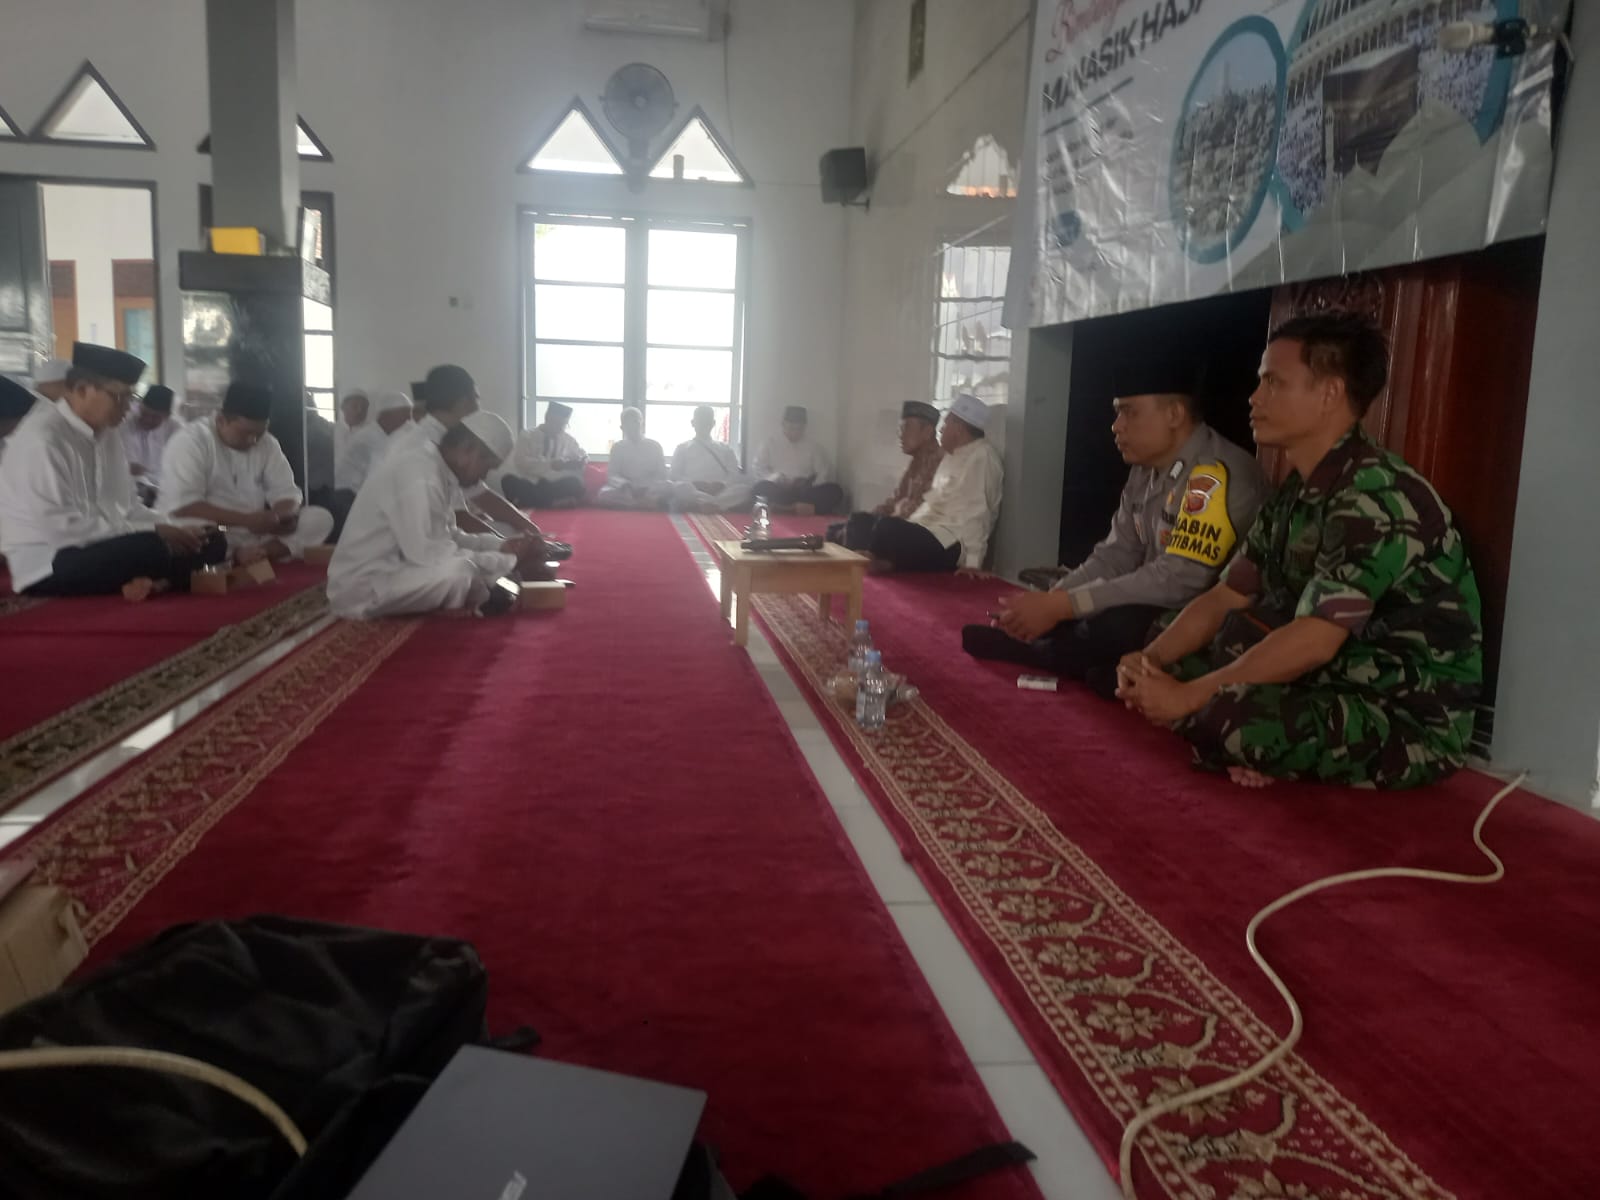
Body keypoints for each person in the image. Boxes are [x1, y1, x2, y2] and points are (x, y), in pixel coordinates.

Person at [1116, 312, 1482, 790]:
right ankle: (1246, 741)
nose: (1254, 397)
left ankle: (1244, 740)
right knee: (1172, 642)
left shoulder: (1375, 495)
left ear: (1329, 394)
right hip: (1327, 679)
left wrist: (1189, 697)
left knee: (1234, 715)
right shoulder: (1298, 490)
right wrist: (1148, 661)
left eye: (1273, 382)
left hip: (1400, 712)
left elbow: (1315, 639)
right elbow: (1227, 595)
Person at [963, 357, 1266, 697]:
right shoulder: (1145, 470)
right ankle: (1079, 658)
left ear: (1174, 415)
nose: (1116, 426)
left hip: (1196, 616)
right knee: (1085, 606)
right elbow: (1115, 555)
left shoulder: (1215, 474)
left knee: (1116, 622)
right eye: (1117, 414)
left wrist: (1065, 606)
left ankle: (1050, 654)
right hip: (1157, 600)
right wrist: (1052, 600)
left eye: (1129, 412)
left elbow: (1179, 580)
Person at [0, 343, 221, 597]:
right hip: (50, 562)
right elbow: (64, 529)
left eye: (132, 397)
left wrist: (174, 526)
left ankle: (155, 581)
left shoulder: (108, 434)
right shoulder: (44, 439)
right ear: (82, 390)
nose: (128, 407)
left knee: (210, 537)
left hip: (105, 545)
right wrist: (156, 531)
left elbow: (128, 507)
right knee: (151, 546)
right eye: (120, 397)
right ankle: (158, 578)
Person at [328, 411, 546, 619]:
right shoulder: (422, 474)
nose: (484, 476)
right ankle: (491, 590)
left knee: (472, 568)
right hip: (364, 586)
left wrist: (502, 546)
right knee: (460, 571)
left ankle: (493, 586)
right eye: (487, 467)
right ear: (468, 449)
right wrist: (509, 561)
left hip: (398, 567)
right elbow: (432, 554)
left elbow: (450, 535)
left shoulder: (434, 467)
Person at [161, 381, 335, 563]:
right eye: (246, 433)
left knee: (319, 518)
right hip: (216, 528)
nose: (253, 440)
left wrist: (280, 517)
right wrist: (246, 520)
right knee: (192, 531)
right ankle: (237, 556)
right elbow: (183, 506)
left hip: (257, 530)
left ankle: (257, 553)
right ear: (221, 420)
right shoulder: (191, 441)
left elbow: (286, 492)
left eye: (259, 434)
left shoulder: (267, 443)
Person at [389, 364, 557, 548]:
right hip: (397, 552)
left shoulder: (441, 440)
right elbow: (459, 520)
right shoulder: (425, 447)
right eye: (477, 399)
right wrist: (509, 550)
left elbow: (478, 494)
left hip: (422, 541)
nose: (479, 408)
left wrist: (529, 530)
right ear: (464, 402)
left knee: (509, 532)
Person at [836, 393, 1001, 572]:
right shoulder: (951, 457)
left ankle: (874, 560)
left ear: (959, 428)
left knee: (888, 526)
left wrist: (973, 563)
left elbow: (978, 513)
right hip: (927, 530)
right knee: (860, 520)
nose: (941, 430)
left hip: (951, 542)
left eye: (945, 424)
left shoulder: (982, 456)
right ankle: (870, 560)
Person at [827, 400, 943, 545]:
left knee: (857, 528)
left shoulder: (939, 463)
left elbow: (922, 510)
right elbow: (897, 497)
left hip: (918, 531)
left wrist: (882, 521)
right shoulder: (916, 461)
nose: (900, 435)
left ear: (927, 432)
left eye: (906, 428)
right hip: (897, 521)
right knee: (838, 528)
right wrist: (878, 514)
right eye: (900, 429)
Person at [752, 406, 843, 515]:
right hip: (779, 490)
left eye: (798, 429)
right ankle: (802, 509)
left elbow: (823, 473)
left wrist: (809, 484)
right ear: (783, 424)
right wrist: (775, 478)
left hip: (804, 493)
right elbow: (758, 468)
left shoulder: (814, 447)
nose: (794, 432)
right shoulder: (769, 444)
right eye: (791, 428)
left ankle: (784, 509)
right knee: (760, 488)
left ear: (804, 427)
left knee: (835, 490)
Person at [500, 402, 588, 509]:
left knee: (576, 484)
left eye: (564, 425)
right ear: (547, 418)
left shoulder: (568, 439)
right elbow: (521, 462)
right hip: (530, 481)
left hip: (554, 484)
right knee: (508, 480)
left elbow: (581, 454)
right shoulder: (527, 435)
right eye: (558, 423)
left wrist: (581, 460)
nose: (560, 428)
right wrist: (551, 464)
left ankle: (531, 501)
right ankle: (552, 503)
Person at [669, 405, 754, 512]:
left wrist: (722, 484)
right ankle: (717, 505)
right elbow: (675, 474)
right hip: (694, 489)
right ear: (693, 423)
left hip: (721, 491)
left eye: (707, 420)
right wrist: (695, 483)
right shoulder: (682, 447)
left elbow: (734, 473)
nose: (703, 424)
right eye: (701, 420)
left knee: (744, 489)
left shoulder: (725, 448)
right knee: (679, 487)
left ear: (713, 423)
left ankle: (705, 505)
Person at [336, 391, 412, 496]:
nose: (409, 421)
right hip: (349, 495)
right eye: (405, 416)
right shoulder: (367, 439)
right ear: (386, 416)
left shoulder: (391, 435)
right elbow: (377, 477)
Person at [595, 407, 670, 510]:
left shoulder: (655, 446)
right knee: (603, 494)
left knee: (669, 487)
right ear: (622, 427)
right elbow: (612, 474)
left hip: (650, 487)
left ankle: (637, 503)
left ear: (642, 424)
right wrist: (624, 485)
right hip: (626, 489)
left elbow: (662, 473)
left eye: (635, 422)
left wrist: (650, 486)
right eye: (628, 423)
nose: (633, 426)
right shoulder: (617, 447)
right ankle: (642, 504)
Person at [120, 384, 179, 506]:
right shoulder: (124, 422)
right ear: (140, 406)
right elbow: (130, 469)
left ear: (167, 416)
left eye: (155, 417)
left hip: (163, 492)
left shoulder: (174, 429)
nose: (147, 420)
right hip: (130, 491)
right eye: (144, 413)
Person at [335, 389, 369, 461]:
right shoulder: (331, 430)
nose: (360, 411)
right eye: (354, 406)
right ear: (343, 407)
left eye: (364, 407)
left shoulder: (373, 434)